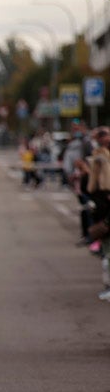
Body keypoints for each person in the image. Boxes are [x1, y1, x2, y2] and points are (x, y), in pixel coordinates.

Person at [82, 127, 110, 300]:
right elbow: (91, 186)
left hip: (105, 207)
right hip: (103, 206)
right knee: (106, 253)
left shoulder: (101, 157)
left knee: (108, 255)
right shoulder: (99, 155)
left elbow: (92, 186)